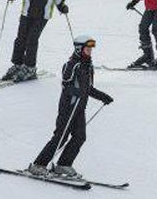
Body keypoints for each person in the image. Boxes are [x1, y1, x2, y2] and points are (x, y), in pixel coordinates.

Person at [28, 35, 113, 179]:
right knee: (61, 136)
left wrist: (103, 97)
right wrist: (77, 92)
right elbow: (65, 85)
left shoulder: (88, 66)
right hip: (68, 107)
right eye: (87, 49)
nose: (90, 51)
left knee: (80, 137)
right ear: (79, 49)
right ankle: (38, 165)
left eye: (91, 49)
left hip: (80, 108)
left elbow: (89, 88)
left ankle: (63, 164)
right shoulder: (72, 65)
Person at [2, 0, 68, 82]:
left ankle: (30, 68)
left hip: (43, 16)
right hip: (26, 13)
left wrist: (61, 6)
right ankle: (18, 64)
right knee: (20, 38)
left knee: (32, 39)